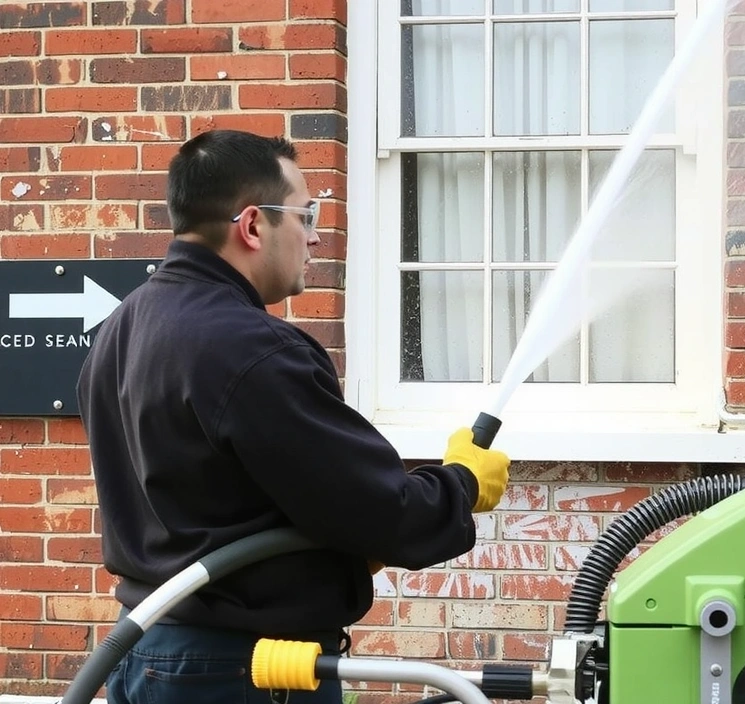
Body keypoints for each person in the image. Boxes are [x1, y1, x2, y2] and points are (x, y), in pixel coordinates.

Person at [76, 129, 511, 704]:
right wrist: (461, 482)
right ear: (253, 225)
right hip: (241, 671)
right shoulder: (255, 352)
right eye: (306, 216)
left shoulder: (120, 330)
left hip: (145, 654)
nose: (314, 236)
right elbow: (377, 511)